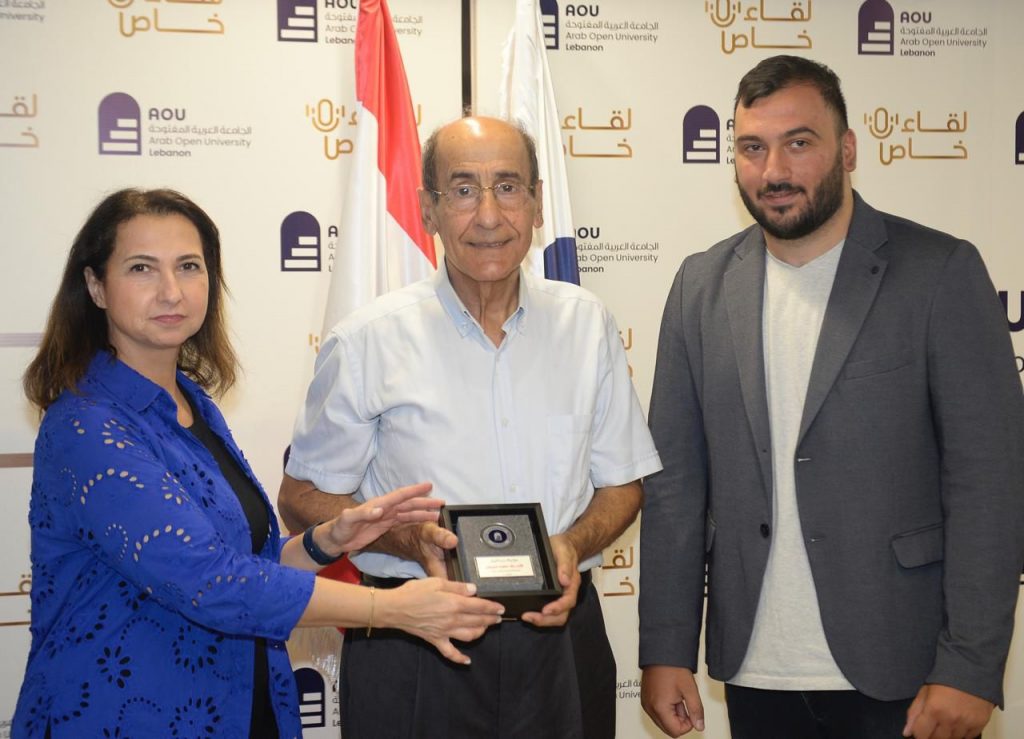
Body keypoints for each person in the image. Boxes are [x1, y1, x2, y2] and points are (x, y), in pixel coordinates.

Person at [13, 188, 505, 739]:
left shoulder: (191, 402)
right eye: (142, 268)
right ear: (96, 286)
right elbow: (210, 581)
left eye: (189, 266)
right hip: (124, 716)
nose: (171, 290)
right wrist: (390, 609)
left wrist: (327, 541)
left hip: (236, 706)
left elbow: (246, 563)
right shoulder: (87, 425)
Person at [639, 55, 1024, 739]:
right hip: (756, 673)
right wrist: (666, 647)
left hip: (906, 672)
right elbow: (675, 487)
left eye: (799, 143)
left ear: (847, 150)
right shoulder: (700, 286)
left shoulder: (939, 273)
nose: (773, 170)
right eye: (752, 147)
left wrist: (970, 663)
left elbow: (989, 482)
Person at [278, 115, 662, 738]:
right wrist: (409, 540)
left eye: (508, 187)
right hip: (412, 639)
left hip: (560, 640)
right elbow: (301, 498)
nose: (488, 215)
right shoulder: (368, 341)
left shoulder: (587, 325)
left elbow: (623, 484)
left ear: (537, 202)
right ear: (428, 209)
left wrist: (571, 543)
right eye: (462, 190)